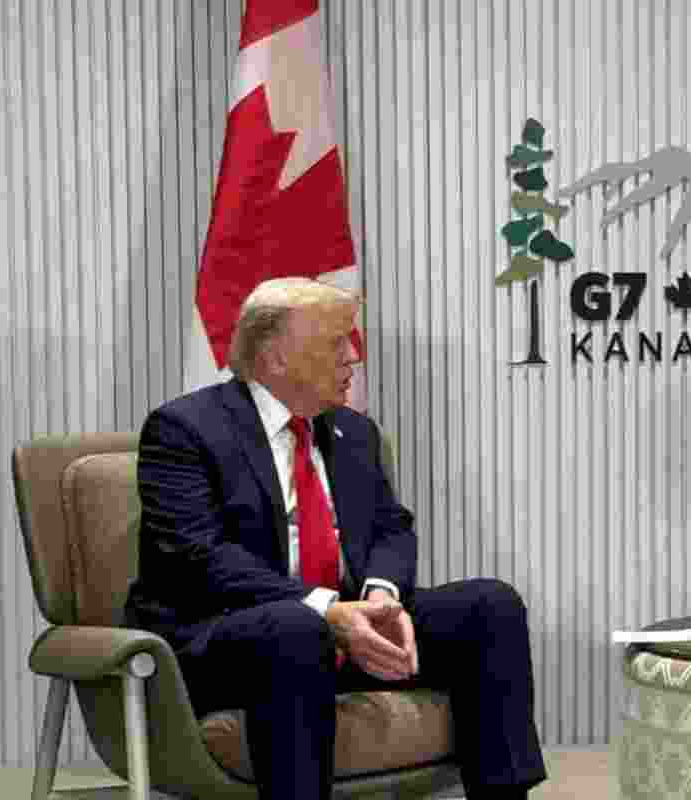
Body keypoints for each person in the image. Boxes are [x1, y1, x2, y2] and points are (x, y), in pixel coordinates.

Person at [125, 278, 545, 800]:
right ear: (276, 357)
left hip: (339, 628)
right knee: (294, 627)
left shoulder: (353, 431)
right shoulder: (184, 429)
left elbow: (391, 526)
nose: (353, 356)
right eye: (335, 342)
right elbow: (198, 555)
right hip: (228, 638)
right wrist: (327, 611)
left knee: (490, 605)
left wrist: (380, 597)